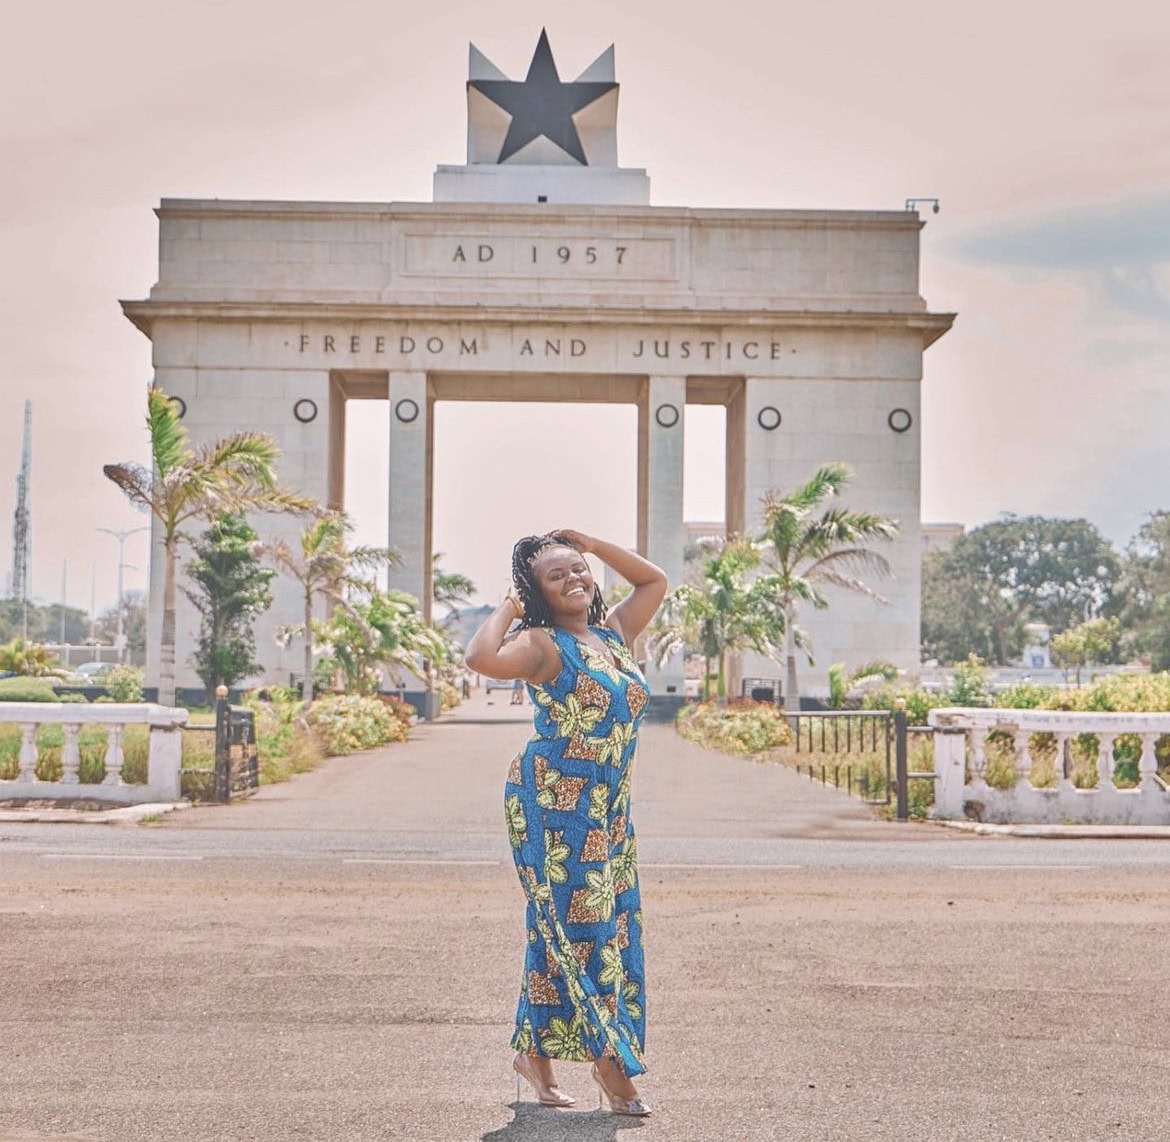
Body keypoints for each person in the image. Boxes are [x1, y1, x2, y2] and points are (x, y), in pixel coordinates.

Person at [465, 529, 667, 1116]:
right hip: (554, 802)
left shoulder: (613, 634)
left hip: (608, 805)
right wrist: (511, 602)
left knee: (590, 928)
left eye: (577, 570)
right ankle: (611, 1066)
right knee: (585, 934)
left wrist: (594, 546)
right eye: (556, 576)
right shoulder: (540, 643)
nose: (574, 580)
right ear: (538, 593)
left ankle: (534, 1054)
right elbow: (480, 658)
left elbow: (655, 581)